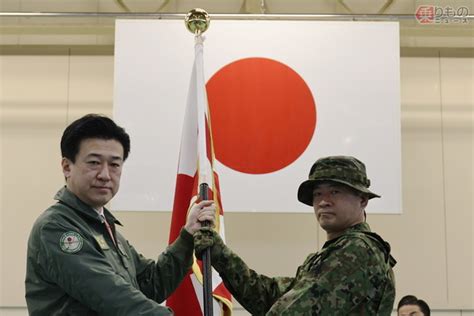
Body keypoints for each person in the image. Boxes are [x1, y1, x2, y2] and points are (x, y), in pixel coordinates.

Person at [25, 114, 215, 315]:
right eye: (94, 163)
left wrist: (188, 235)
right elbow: (114, 297)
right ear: (66, 167)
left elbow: (150, 284)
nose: (105, 175)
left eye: (114, 164)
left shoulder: (104, 226)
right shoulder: (56, 227)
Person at [194, 155, 397, 315]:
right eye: (317, 194)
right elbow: (269, 297)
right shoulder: (333, 254)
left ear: (362, 200)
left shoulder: (359, 249)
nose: (323, 201)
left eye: (335, 192)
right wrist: (218, 252)